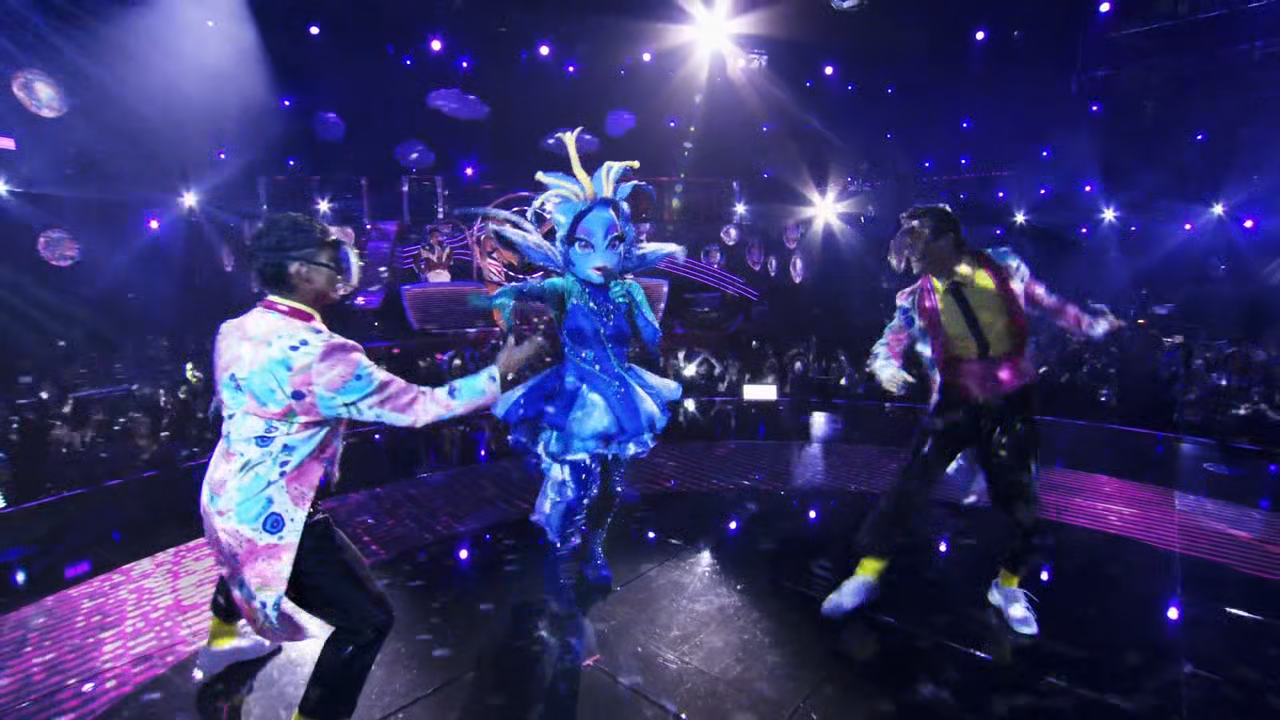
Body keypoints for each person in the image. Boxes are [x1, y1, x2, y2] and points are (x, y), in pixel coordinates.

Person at [195, 213, 543, 720]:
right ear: (298, 271)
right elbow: (422, 406)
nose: (340, 268)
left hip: (222, 495)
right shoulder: (324, 355)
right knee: (367, 622)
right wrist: (499, 372)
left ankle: (222, 640)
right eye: (328, 259)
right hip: (276, 511)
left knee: (238, 560)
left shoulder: (235, 329)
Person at [821, 204, 1123, 635]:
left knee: (1022, 503)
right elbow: (891, 338)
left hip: (1010, 399)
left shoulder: (1002, 265)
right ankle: (866, 573)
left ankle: (1008, 587)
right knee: (910, 484)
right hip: (954, 400)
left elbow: (1047, 302)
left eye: (917, 238)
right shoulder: (915, 297)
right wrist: (885, 364)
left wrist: (1089, 324)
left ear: (946, 239)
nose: (908, 249)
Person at [470, 128, 684, 606]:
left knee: (611, 484)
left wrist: (638, 305)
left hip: (622, 394)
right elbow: (517, 293)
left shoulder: (626, 289)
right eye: (587, 245)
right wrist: (499, 300)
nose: (602, 257)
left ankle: (593, 549)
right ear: (568, 247)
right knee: (576, 484)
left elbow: (652, 340)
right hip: (576, 396)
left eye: (612, 242)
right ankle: (565, 556)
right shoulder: (565, 288)